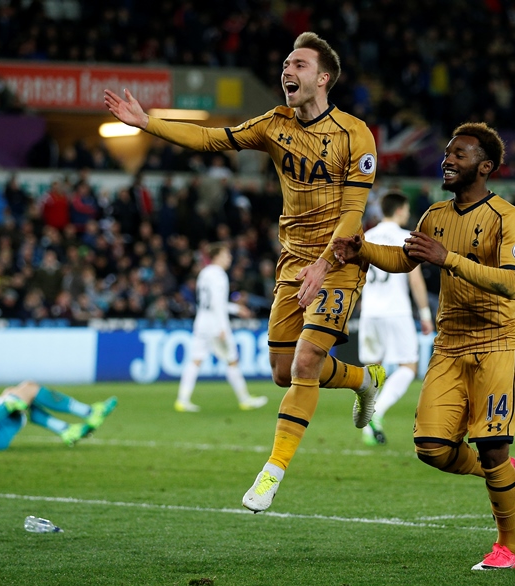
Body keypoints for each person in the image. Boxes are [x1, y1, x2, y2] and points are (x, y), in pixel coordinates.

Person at [105, 31, 386, 513]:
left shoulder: (355, 135)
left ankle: (271, 473)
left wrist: (325, 265)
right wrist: (147, 122)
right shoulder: (274, 124)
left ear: (323, 78)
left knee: (303, 364)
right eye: (285, 63)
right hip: (292, 262)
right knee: (283, 373)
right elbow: (213, 138)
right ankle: (363, 379)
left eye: (298, 64)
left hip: (338, 263)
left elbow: (353, 213)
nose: (287, 70)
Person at [332, 122, 515, 571]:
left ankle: (507, 547)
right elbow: (404, 259)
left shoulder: (507, 217)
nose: (447, 160)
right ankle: (499, 473)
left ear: (485, 166)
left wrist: (448, 259)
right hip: (450, 344)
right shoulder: (434, 217)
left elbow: (511, 283)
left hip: (498, 342)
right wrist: (360, 249)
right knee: (431, 447)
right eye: (447, 153)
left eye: (459, 154)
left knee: (493, 442)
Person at [357, 191, 434, 446]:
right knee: (408, 367)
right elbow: (415, 279)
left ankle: (368, 428)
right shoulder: (406, 238)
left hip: (370, 311)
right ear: (400, 210)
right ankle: (376, 413)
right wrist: (424, 313)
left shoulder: (367, 237)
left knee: (372, 370)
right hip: (396, 310)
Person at [175, 243, 269, 413]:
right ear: (217, 256)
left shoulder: (204, 273)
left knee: (195, 360)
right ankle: (245, 399)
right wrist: (222, 327)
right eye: (226, 255)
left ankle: (182, 400)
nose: (229, 258)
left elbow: (210, 302)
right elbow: (217, 304)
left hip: (201, 320)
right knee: (232, 360)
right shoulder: (219, 275)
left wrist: (236, 309)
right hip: (215, 324)